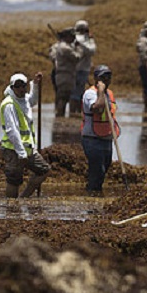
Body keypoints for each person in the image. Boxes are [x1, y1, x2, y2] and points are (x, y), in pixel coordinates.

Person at [0, 72, 50, 199]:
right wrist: (21, 153)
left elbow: (32, 100)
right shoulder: (9, 104)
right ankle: (11, 208)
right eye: (18, 87)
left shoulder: (24, 99)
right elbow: (12, 131)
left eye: (24, 86)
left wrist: (36, 85)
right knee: (14, 180)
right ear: (12, 88)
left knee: (43, 170)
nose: (21, 89)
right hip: (13, 149)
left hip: (28, 148)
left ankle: (23, 198)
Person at [81, 65, 119, 195]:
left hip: (106, 137)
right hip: (92, 138)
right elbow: (98, 108)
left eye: (108, 77)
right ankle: (93, 194)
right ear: (96, 78)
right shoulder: (90, 94)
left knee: (105, 167)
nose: (106, 80)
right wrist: (101, 92)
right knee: (98, 170)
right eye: (103, 77)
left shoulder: (110, 94)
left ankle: (94, 190)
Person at [48, 27, 83, 117]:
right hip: (64, 74)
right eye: (72, 36)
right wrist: (78, 49)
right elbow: (77, 57)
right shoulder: (64, 47)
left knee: (64, 96)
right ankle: (60, 115)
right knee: (63, 96)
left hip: (67, 74)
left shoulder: (66, 46)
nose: (74, 38)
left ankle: (62, 114)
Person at [70, 19, 97, 117]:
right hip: (77, 69)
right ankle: (73, 113)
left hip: (83, 69)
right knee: (75, 93)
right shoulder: (75, 39)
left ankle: (75, 112)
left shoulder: (85, 39)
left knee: (79, 92)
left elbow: (91, 51)